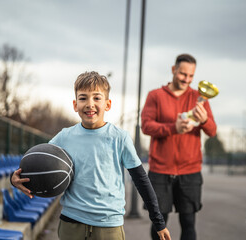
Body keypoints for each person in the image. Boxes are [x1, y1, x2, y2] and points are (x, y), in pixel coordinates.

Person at [11, 71, 171, 240]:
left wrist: (158, 222)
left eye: (96, 98)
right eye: (83, 98)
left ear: (108, 104)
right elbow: (38, 163)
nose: (89, 104)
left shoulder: (119, 138)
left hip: (109, 226)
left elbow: (141, 180)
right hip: (71, 223)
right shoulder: (65, 136)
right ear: (75, 105)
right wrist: (13, 179)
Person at [141, 54, 217, 240]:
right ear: (174, 70)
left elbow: (212, 131)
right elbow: (146, 126)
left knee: (189, 222)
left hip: (190, 171)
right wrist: (172, 128)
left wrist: (204, 120)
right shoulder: (155, 96)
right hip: (160, 170)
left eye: (191, 76)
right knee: (159, 224)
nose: (187, 79)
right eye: (183, 74)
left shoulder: (199, 98)